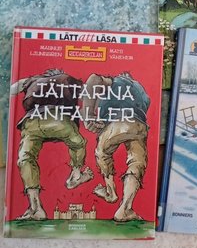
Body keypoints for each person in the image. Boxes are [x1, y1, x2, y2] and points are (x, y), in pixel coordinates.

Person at [11, 69, 93, 221]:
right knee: (78, 144)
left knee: (25, 158)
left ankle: (35, 207)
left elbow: (12, 89)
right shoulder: (67, 78)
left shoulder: (32, 79)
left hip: (31, 122)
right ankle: (76, 175)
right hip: (58, 119)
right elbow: (88, 96)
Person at [82, 71, 150, 221]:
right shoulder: (142, 92)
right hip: (139, 126)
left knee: (103, 153)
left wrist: (88, 115)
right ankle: (125, 208)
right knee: (137, 162)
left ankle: (110, 192)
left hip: (116, 123)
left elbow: (94, 79)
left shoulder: (118, 81)